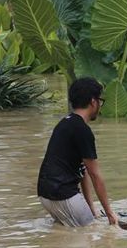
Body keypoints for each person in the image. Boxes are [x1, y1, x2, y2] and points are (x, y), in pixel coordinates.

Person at [37, 77, 118, 227]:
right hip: (63, 194)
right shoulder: (82, 130)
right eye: (100, 101)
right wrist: (110, 213)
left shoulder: (64, 123)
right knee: (94, 235)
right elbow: (95, 174)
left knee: (67, 238)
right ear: (93, 101)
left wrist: (91, 207)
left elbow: (82, 171)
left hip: (45, 195)